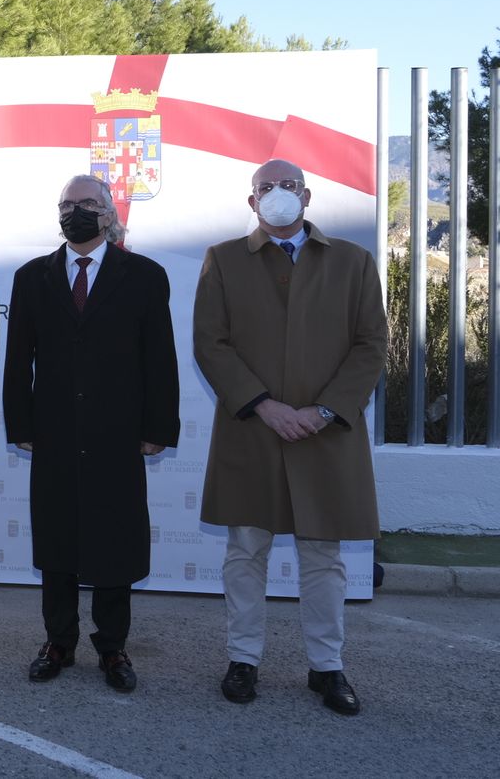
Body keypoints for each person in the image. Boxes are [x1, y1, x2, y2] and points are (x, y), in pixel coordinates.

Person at [193, 159, 387, 716]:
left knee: (324, 555)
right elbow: (211, 343)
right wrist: (264, 405)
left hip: (326, 433)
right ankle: (242, 660)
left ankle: (327, 668)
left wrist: (325, 410)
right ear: (251, 202)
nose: (277, 195)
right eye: (265, 188)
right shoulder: (224, 260)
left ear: (308, 194)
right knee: (246, 548)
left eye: (288, 186)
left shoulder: (353, 262)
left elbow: (372, 344)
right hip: (253, 430)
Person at [3, 174, 179, 692]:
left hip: (118, 431)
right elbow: (19, 361)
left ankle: (112, 646)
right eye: (67, 204)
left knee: (114, 541)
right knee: (57, 539)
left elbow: (160, 359)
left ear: (108, 213)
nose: (75, 212)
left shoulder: (145, 275)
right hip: (54, 431)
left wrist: (156, 428)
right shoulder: (32, 276)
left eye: (87, 203)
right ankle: (58, 642)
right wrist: (22, 424)